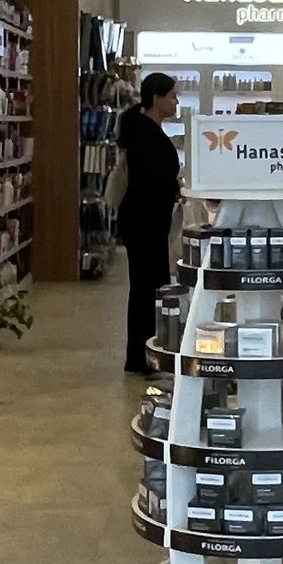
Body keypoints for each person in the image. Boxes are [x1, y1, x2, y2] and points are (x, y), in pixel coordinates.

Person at [115, 72, 184, 374]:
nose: (176, 101)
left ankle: (142, 354)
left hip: (146, 220)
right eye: (171, 96)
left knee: (147, 288)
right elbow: (149, 181)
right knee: (148, 289)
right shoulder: (145, 133)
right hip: (145, 221)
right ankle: (144, 356)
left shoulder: (146, 129)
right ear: (157, 98)